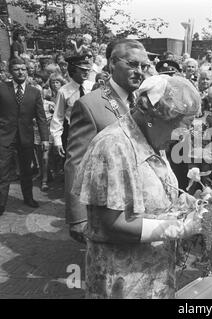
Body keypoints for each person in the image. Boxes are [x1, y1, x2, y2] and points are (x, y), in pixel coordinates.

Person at [72, 75, 207, 299]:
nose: (180, 136)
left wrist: (194, 204)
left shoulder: (152, 138)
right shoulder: (113, 146)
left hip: (154, 275)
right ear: (154, 116)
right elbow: (114, 223)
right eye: (178, 127)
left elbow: (159, 197)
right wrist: (180, 228)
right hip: (125, 281)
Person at [65, 39, 147, 243]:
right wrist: (77, 217)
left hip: (140, 205)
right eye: (133, 64)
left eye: (143, 66)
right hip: (109, 208)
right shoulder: (89, 105)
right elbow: (76, 162)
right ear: (112, 64)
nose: (140, 71)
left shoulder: (142, 102)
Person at [0, 58, 49, 214]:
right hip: (5, 137)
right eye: (16, 69)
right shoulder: (2, 89)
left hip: (26, 137)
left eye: (23, 69)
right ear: (10, 71)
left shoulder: (34, 92)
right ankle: (1, 204)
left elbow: (41, 117)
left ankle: (28, 198)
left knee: (27, 170)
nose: (20, 72)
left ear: (27, 71)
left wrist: (45, 139)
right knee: (3, 171)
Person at [50, 55, 95, 159]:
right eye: (82, 69)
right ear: (73, 70)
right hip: (73, 134)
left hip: (92, 132)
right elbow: (58, 117)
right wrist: (57, 141)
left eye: (88, 70)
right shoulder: (64, 91)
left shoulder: (93, 87)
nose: (86, 72)